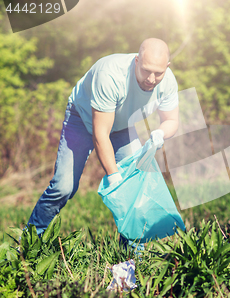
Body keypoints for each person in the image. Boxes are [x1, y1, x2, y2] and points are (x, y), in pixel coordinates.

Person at [25, 38, 180, 244]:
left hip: (122, 126)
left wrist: (160, 133)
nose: (151, 79)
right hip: (82, 118)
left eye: (158, 73)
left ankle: (131, 252)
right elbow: (101, 134)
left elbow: (171, 120)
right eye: (146, 70)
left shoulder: (167, 81)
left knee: (134, 185)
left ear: (167, 67)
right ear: (136, 60)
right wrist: (114, 177)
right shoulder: (111, 75)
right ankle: (29, 242)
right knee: (63, 187)